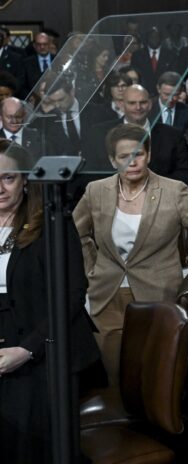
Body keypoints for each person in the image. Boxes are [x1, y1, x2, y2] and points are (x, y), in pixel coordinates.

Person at [73, 124, 188, 383]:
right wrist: (91, 267)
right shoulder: (96, 191)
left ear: (148, 155)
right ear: (111, 160)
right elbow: (76, 233)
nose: (132, 162)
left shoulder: (174, 191)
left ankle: (154, 423)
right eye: (123, 156)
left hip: (159, 294)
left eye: (138, 154)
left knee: (153, 375)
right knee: (114, 375)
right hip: (107, 293)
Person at [0, 141, 99, 464]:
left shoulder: (52, 221)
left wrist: (27, 349)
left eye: (8, 178)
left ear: (26, 179)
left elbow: (72, 294)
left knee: (28, 439)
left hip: (45, 346)